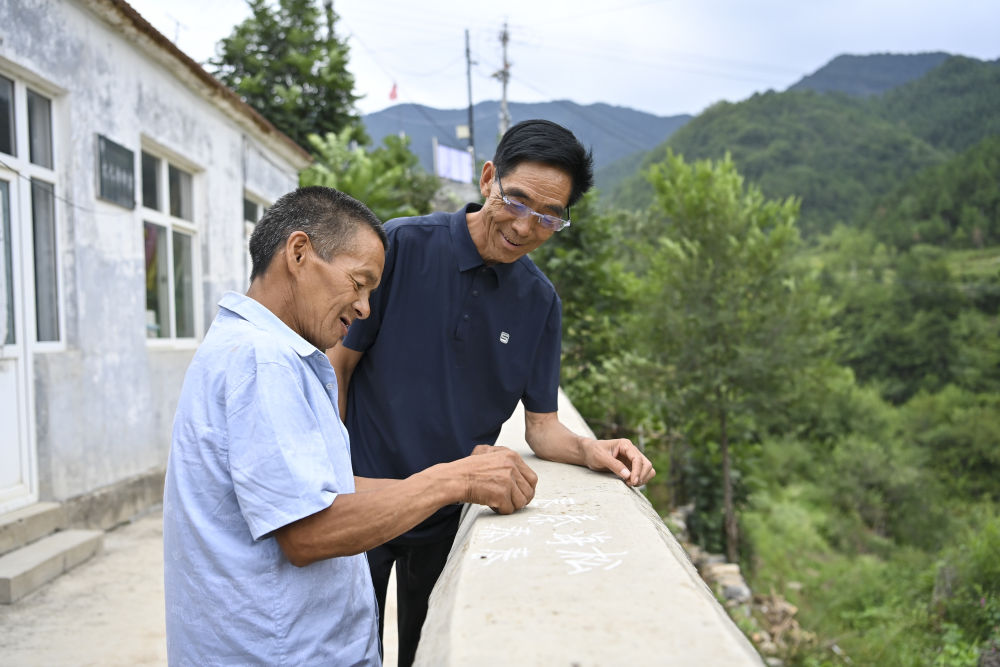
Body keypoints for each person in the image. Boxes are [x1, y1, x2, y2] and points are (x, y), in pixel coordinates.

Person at [162, 186, 537, 666]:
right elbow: (309, 531)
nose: (364, 308)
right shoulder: (262, 360)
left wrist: (463, 479)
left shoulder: (262, 350)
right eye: (359, 283)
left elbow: (321, 491)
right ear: (299, 253)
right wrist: (455, 480)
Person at [329, 119, 656, 666]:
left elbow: (542, 427)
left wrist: (590, 449)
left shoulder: (539, 303)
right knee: (346, 648)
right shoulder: (402, 246)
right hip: (365, 497)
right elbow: (339, 366)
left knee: (424, 650)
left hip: (447, 512)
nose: (525, 226)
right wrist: (334, 471)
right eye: (517, 200)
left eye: (549, 215)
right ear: (488, 179)